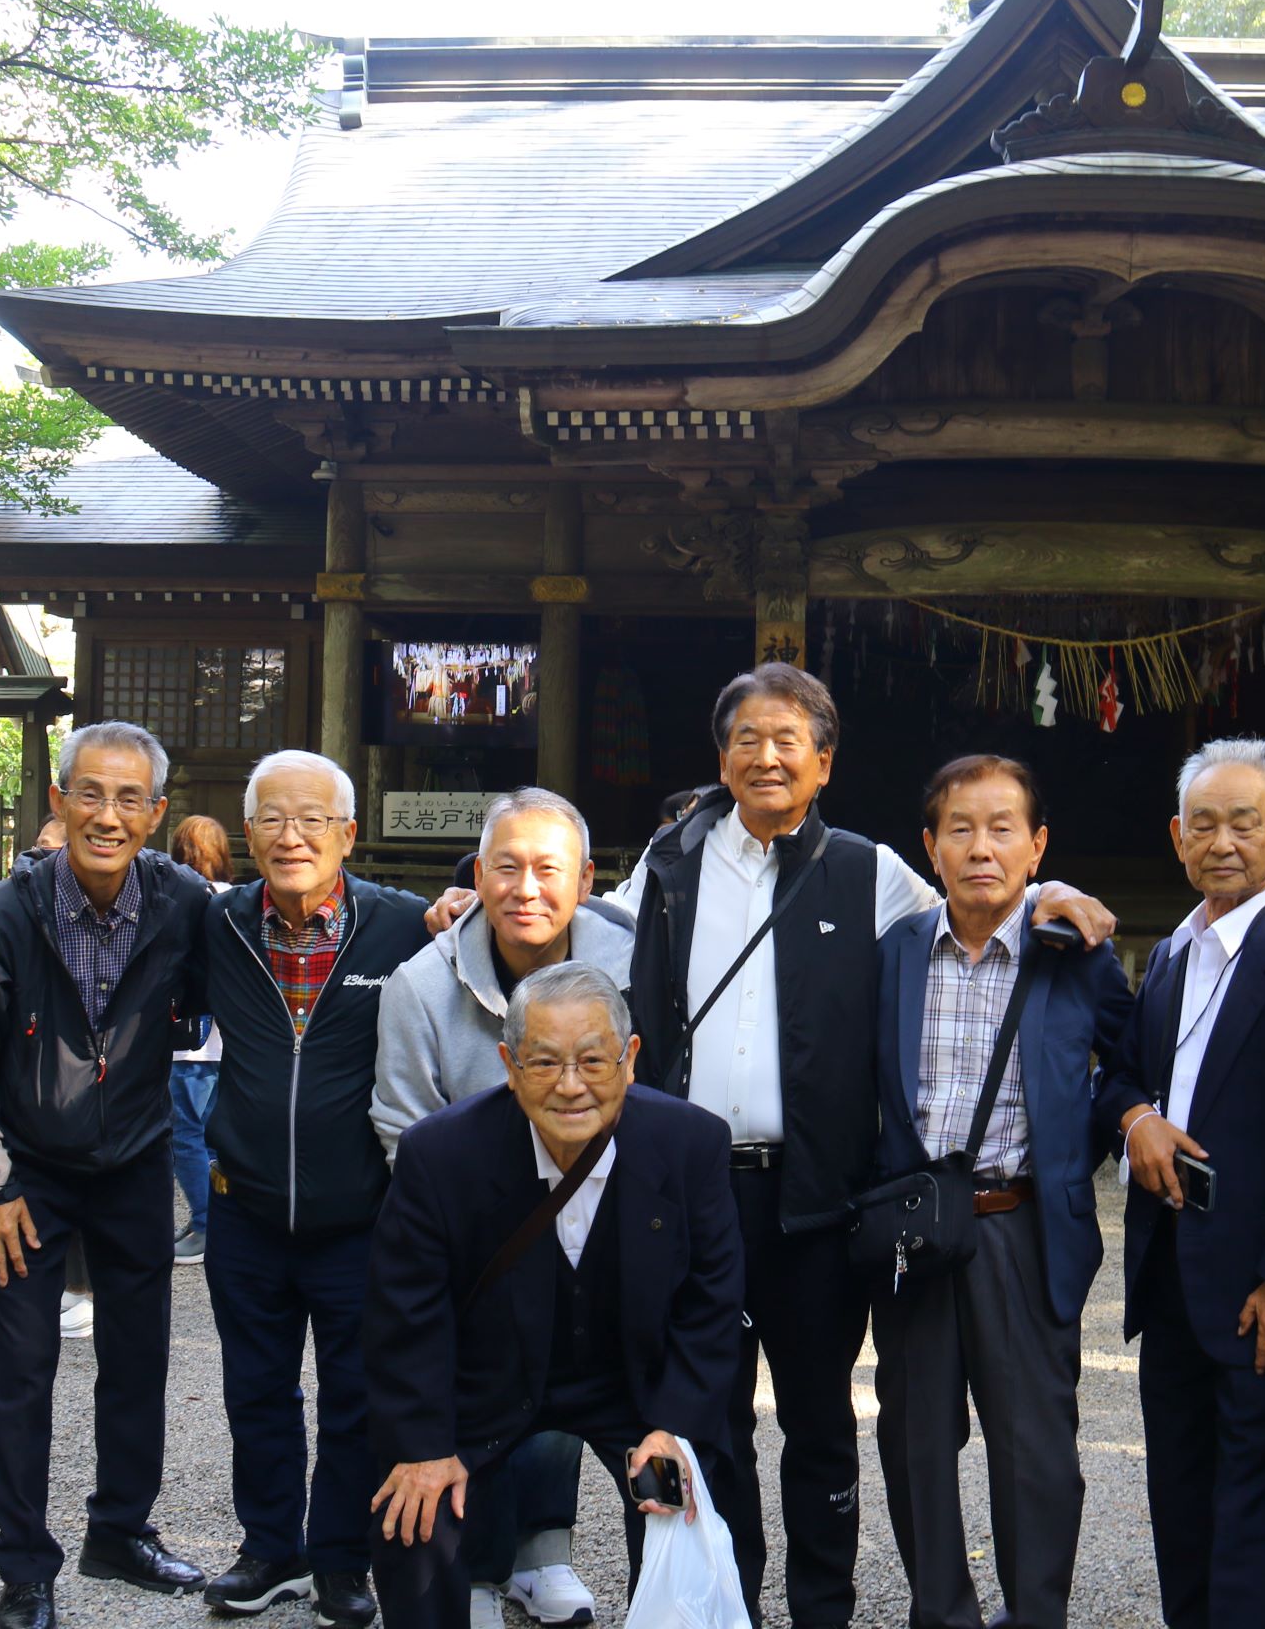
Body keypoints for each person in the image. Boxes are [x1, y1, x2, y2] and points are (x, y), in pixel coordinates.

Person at [616, 663, 1115, 1627]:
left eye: (788, 740)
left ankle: (820, 1610)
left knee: (817, 1421)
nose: (766, 757)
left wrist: (1057, 890)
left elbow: (974, 898)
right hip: (692, 1192)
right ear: (720, 757)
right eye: (747, 740)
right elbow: (588, 944)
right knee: (706, 1417)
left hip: (813, 1197)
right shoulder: (668, 865)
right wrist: (460, 906)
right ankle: (724, 1607)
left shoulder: (867, 868)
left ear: (824, 763)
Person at [0, 720, 216, 1629]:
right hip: (31, 1173)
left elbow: (243, 973)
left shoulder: (182, 903)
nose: (108, 814)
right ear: (57, 802)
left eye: (130, 798)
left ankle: (119, 1531)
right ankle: (25, 1567)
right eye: (89, 793)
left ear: (156, 813)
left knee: (137, 1362)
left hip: (132, 1160)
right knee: (23, 1369)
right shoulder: (4, 913)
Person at [364, 963, 744, 1628]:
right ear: (509, 1065)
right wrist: (423, 1448)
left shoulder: (691, 1143)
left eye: (592, 1061)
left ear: (629, 1059)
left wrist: (673, 1427)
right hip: (486, 1382)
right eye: (544, 1063)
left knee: (690, 1491)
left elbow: (710, 1303)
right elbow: (405, 1314)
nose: (571, 1087)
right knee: (413, 1512)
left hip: (631, 1386)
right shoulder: (440, 1155)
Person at [870, 755, 1134, 1629]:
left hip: (1023, 1227)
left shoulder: (1077, 955)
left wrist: (1074, 1153)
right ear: (930, 847)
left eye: (1002, 829)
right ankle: (940, 1613)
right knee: (915, 1445)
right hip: (917, 1230)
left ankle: (1035, 1616)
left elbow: (1131, 1070)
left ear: (1036, 845)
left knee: (1037, 1455)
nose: (980, 847)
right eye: (960, 829)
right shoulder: (894, 954)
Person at [371, 788, 634, 1628]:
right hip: (474, 1241)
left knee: (576, 1378)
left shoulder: (634, 962)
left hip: (601, 1223)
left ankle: (542, 1553)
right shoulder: (420, 984)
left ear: (586, 879)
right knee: (481, 1390)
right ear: (476, 875)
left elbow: (658, 1103)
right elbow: (402, 1126)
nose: (527, 887)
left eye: (548, 869)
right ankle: (478, 1566)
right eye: (506, 867)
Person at [1095, 739, 1265, 1629]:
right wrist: (1134, 1120)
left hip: (1257, 1297)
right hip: (1169, 1282)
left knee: (1257, 1519)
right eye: (1203, 824)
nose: (1222, 842)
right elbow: (1118, 1075)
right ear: (1176, 836)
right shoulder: (1167, 956)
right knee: (1181, 1509)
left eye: (1244, 824)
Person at [199, 749, 430, 1626]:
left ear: (348, 834)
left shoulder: (403, 926)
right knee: (254, 1389)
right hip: (245, 1209)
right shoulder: (216, 924)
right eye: (271, 820)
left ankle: (341, 1557)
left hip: (360, 1215)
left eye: (312, 821)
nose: (290, 838)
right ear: (245, 832)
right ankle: (269, 1549)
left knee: (356, 1394)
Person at [169, 814, 234, 1266]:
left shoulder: (181, 898)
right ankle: (216, 1220)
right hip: (229, 1040)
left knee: (186, 1132)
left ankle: (207, 1223)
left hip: (189, 1038)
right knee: (213, 1134)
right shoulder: (238, 898)